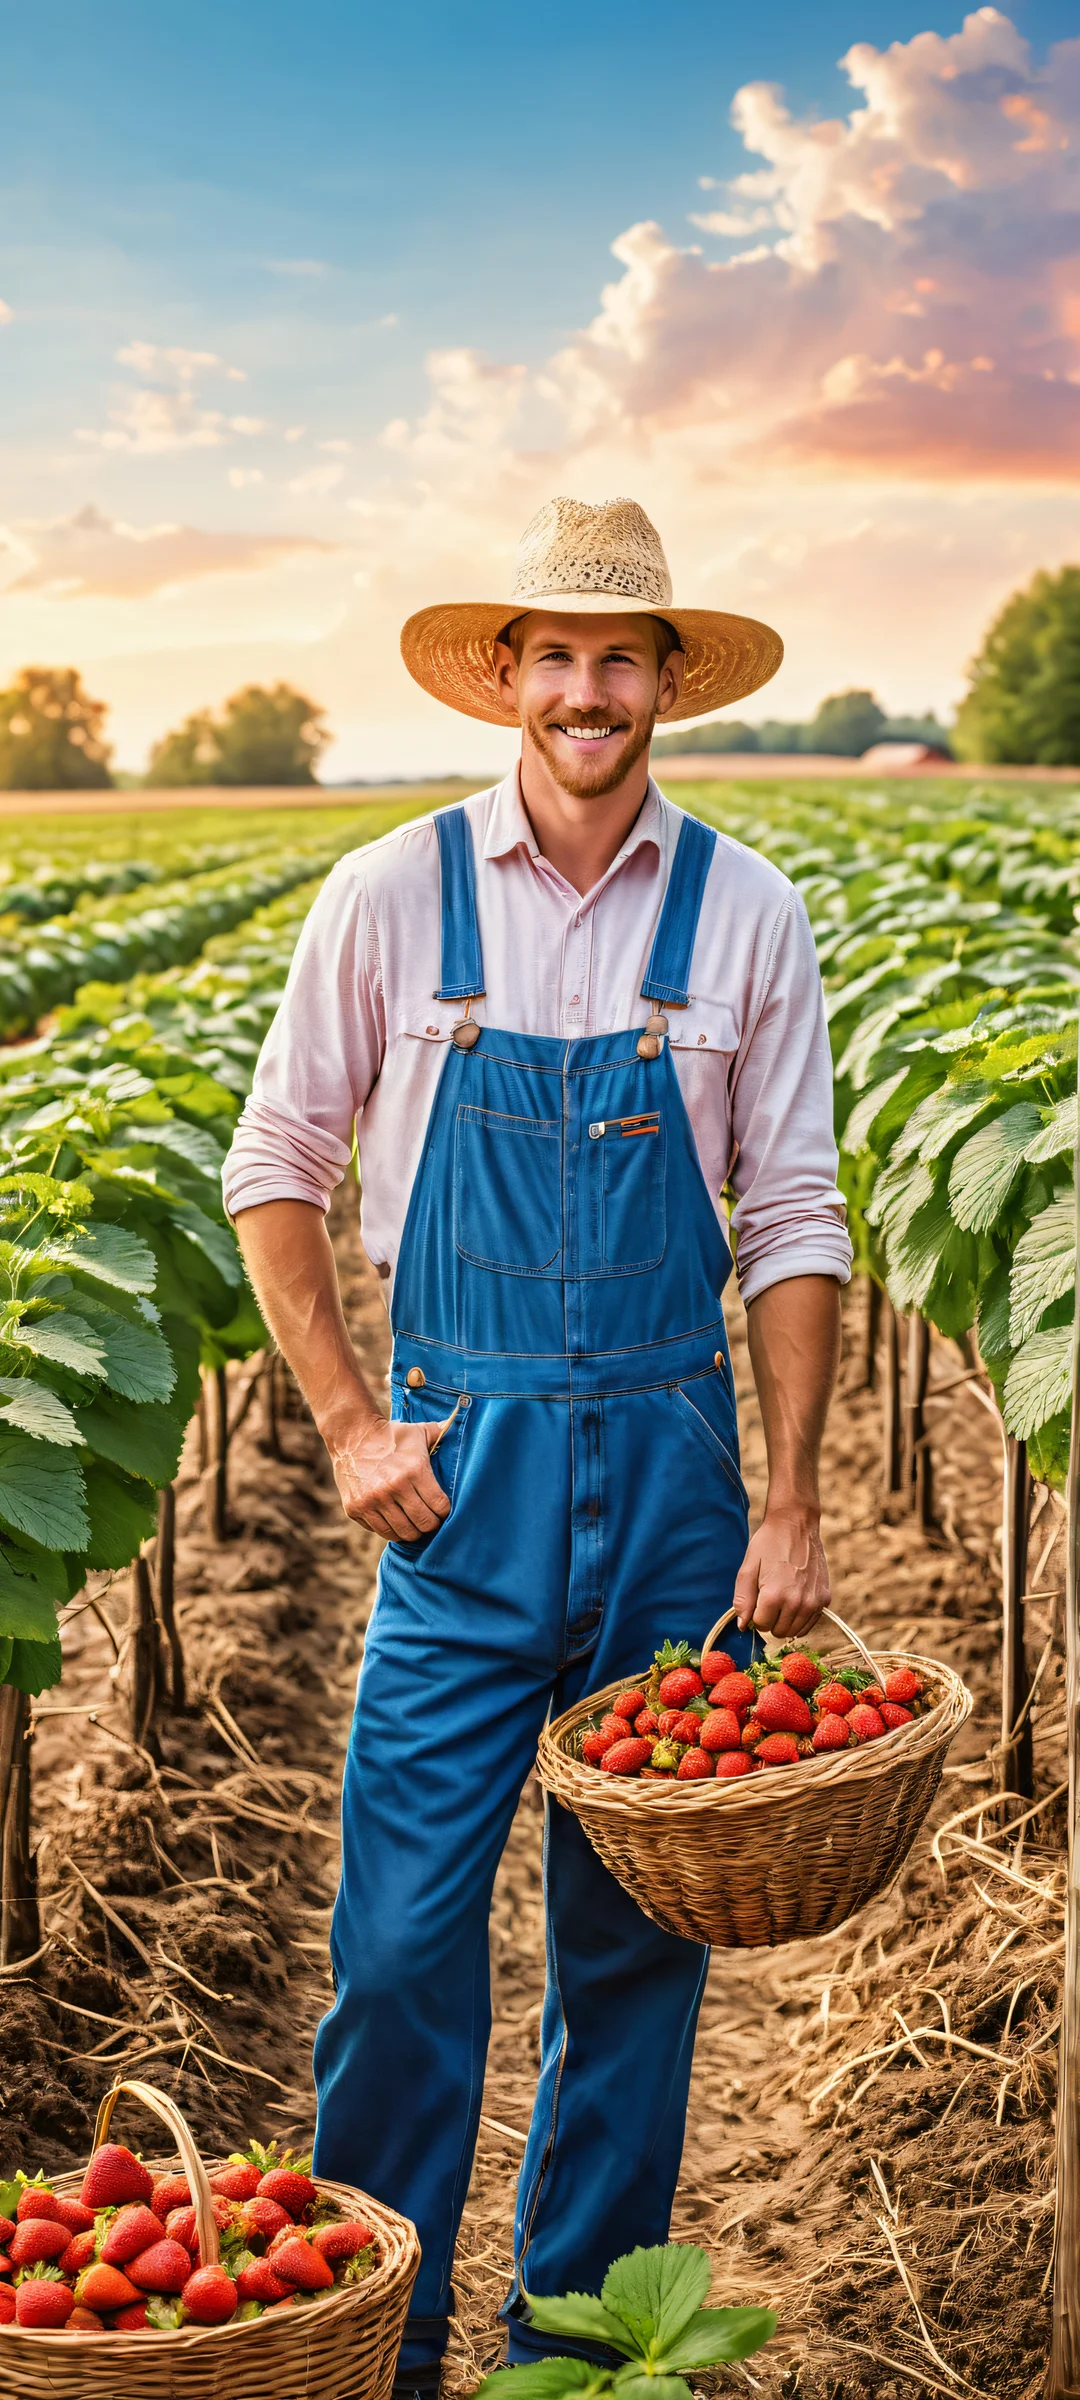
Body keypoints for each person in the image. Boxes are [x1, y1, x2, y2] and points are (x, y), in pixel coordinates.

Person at [223, 495, 852, 2394]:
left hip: (673, 1479)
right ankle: (381, 2348)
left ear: (667, 681)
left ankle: (568, 2351)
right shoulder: (392, 893)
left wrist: (793, 1498)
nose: (589, 691)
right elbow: (276, 1166)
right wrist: (351, 1425)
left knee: (636, 1956)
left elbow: (793, 1218)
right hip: (460, 1483)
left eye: (621, 659)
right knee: (403, 1945)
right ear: (509, 675)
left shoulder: (745, 909)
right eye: (558, 656)